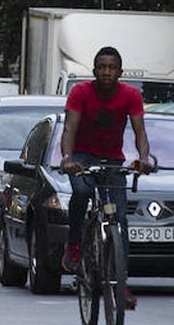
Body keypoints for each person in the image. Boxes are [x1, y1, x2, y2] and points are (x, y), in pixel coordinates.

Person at [60, 46, 154, 310]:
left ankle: (120, 283)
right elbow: (69, 128)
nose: (106, 72)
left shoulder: (130, 95)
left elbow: (140, 132)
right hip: (82, 156)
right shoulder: (80, 92)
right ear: (94, 71)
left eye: (112, 68)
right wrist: (68, 158)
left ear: (120, 72)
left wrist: (144, 158)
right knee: (81, 192)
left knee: (119, 219)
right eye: (102, 67)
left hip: (112, 160)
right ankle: (75, 243)